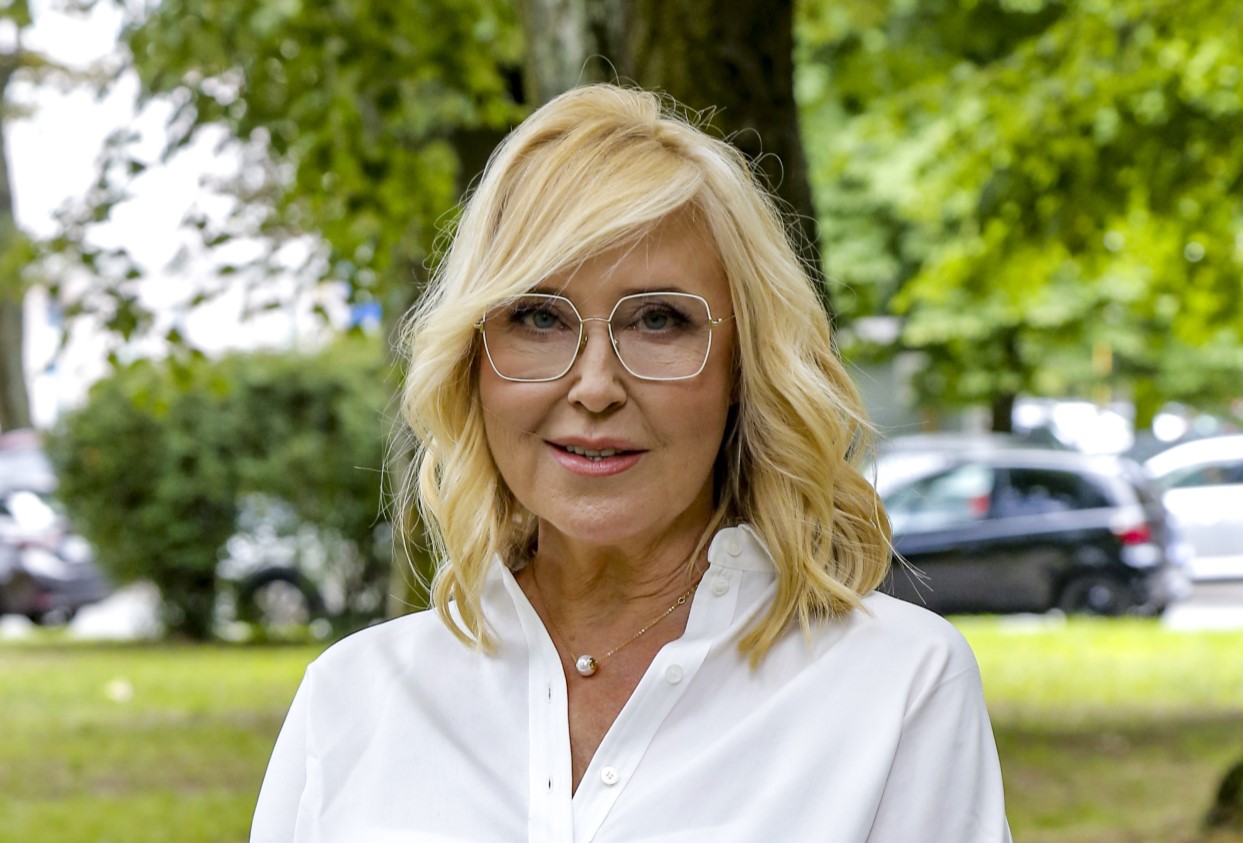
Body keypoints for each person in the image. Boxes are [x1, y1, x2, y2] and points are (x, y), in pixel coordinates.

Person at [251, 84, 1012, 842]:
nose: (594, 387)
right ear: (472, 362)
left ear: (742, 367)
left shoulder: (895, 688)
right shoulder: (353, 703)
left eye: (657, 319)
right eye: (538, 316)